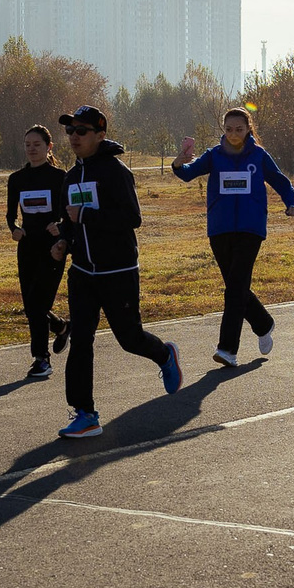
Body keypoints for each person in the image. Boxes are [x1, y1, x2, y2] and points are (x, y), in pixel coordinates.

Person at [51, 106, 182, 438]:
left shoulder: (115, 172)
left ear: (99, 135)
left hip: (118, 270)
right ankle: (85, 413)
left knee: (129, 338)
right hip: (82, 272)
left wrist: (86, 218)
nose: (74, 137)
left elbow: (131, 218)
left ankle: (164, 354)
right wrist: (64, 241)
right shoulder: (70, 177)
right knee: (81, 339)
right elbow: (70, 220)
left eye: (81, 131)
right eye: (70, 131)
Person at [172, 106, 294, 366]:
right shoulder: (214, 156)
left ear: (248, 129)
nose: (233, 134)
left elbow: (280, 180)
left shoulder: (259, 156)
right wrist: (179, 160)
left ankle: (227, 349)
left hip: (250, 228)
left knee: (234, 288)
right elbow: (187, 173)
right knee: (236, 286)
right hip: (220, 228)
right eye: (229, 129)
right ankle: (263, 323)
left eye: (238, 129)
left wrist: (291, 203)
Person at [4, 125, 71, 380]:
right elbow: (11, 215)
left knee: (37, 303)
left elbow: (69, 212)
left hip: (53, 247)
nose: (32, 149)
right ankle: (60, 325)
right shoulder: (17, 179)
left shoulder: (60, 177)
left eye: (37, 145)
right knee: (31, 304)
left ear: (49, 147)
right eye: (28, 145)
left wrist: (61, 226)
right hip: (28, 247)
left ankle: (41, 359)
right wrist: (14, 228)